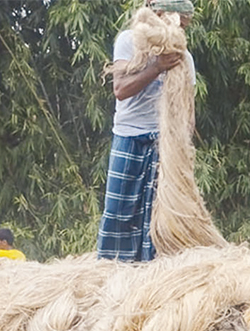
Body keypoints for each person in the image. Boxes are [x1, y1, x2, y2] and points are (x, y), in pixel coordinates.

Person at [97, 0, 196, 262]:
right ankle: (110, 269)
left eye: (185, 26)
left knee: (159, 216)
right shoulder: (129, 41)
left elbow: (188, 112)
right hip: (129, 136)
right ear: (161, 15)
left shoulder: (185, 59)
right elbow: (120, 90)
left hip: (165, 144)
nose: (181, 30)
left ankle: (152, 272)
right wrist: (156, 67)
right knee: (118, 212)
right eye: (179, 23)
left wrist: (182, 152)